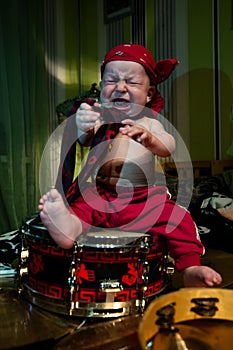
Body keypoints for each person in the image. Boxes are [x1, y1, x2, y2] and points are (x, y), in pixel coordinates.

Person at [39, 44, 222, 288]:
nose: (120, 87)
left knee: (177, 218)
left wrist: (149, 138)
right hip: (101, 195)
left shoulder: (150, 121)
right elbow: (83, 139)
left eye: (132, 82)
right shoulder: (101, 120)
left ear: (149, 94)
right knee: (82, 206)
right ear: (103, 87)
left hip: (141, 198)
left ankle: (190, 266)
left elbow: (168, 146)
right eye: (111, 80)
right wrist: (82, 122)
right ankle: (67, 228)